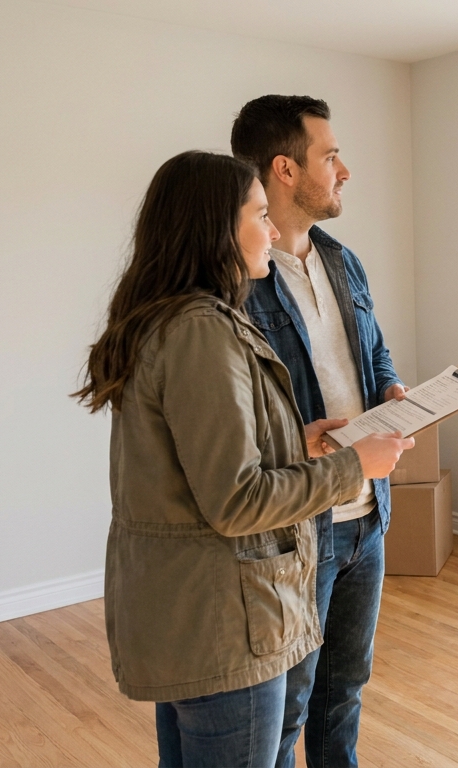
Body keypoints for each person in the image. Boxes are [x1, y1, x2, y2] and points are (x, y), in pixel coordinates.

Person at [73, 150, 412, 767]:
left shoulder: (173, 321)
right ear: (215, 231)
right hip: (227, 620)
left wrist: (298, 441)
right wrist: (353, 466)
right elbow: (237, 499)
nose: (274, 230)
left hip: (192, 611)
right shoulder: (203, 331)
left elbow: (199, 463)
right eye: (259, 215)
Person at [231, 95, 405, 768]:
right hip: (299, 526)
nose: (344, 171)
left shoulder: (344, 261)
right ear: (284, 169)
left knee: (344, 692)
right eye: (330, 156)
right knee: (289, 706)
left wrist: (389, 391)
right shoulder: (237, 281)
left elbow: (375, 350)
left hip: (367, 517)